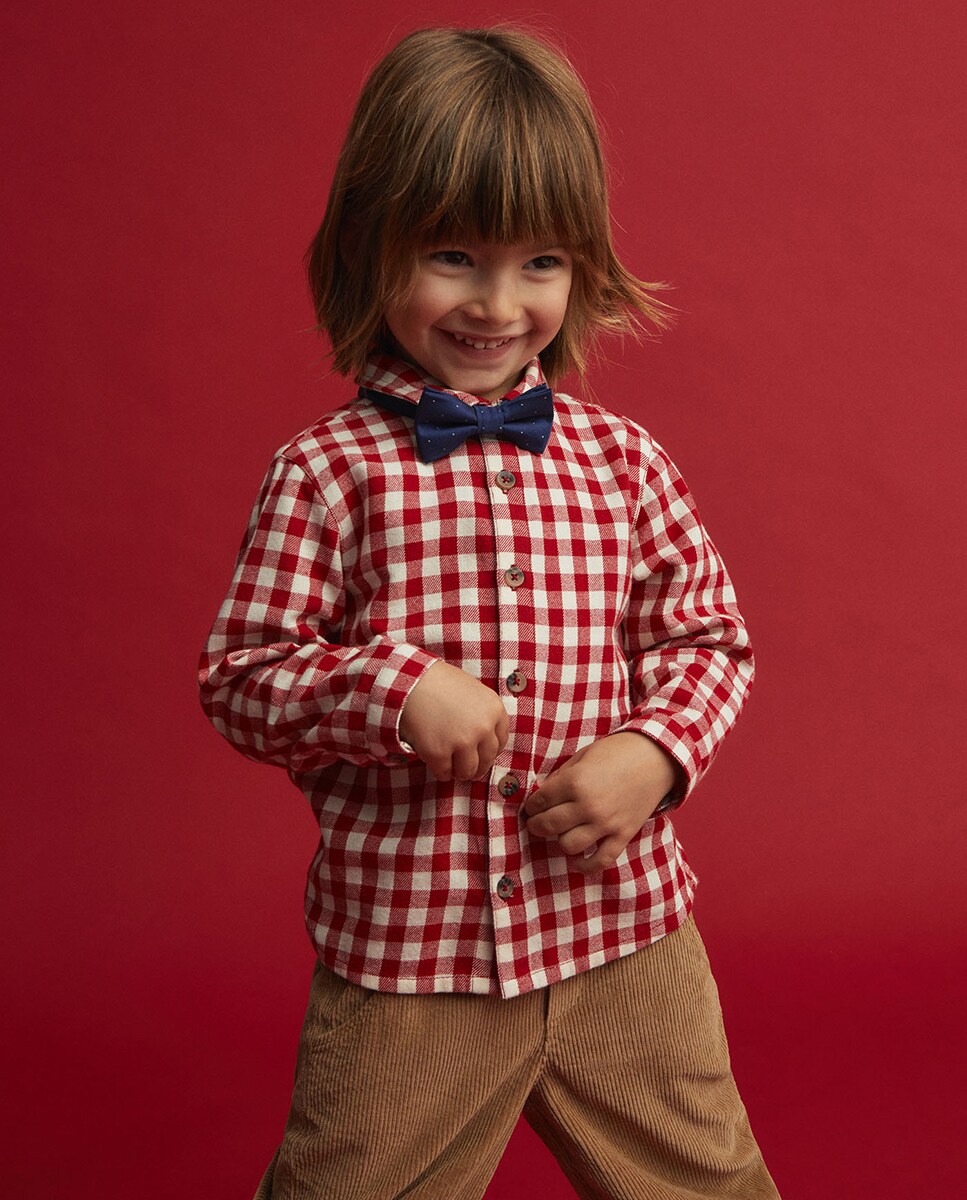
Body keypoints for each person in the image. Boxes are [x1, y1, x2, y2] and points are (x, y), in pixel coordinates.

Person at [199, 25, 781, 1200]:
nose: (497, 303)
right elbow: (243, 679)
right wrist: (393, 689)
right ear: (369, 247)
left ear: (583, 267)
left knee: (711, 1185)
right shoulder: (325, 474)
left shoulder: (624, 463)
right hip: (413, 965)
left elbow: (709, 641)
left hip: (624, 939)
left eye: (540, 263)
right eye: (453, 256)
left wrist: (655, 754)